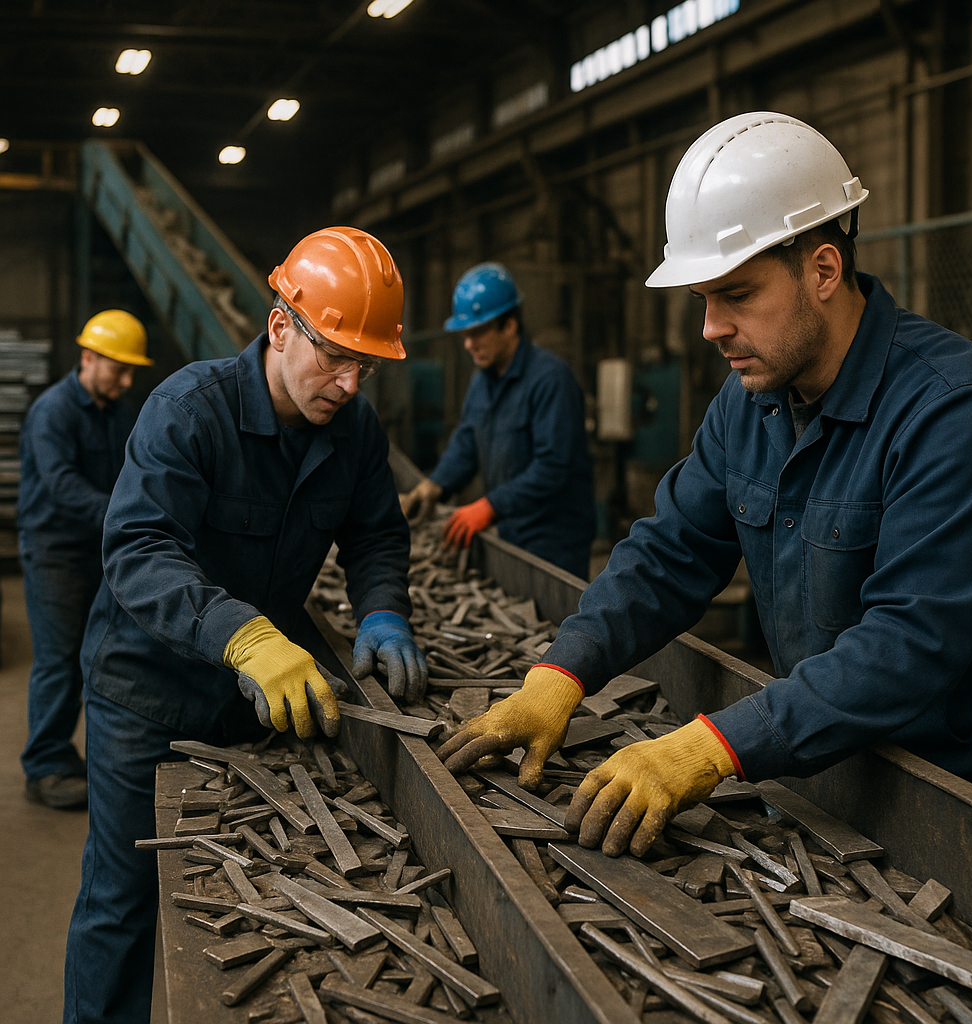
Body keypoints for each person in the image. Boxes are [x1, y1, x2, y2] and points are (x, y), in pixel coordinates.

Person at [438, 111, 972, 859]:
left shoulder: (953, 410)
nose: (712, 329)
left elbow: (909, 644)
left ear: (822, 270)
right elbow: (671, 550)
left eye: (737, 295)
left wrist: (711, 746)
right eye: (703, 301)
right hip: (826, 779)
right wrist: (562, 671)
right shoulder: (751, 402)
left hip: (960, 806)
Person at [62, 226, 428, 1024]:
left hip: (246, 705)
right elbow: (137, 549)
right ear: (279, 328)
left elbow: (374, 533)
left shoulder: (355, 431)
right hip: (145, 694)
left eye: (365, 365)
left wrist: (382, 606)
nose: (349, 383)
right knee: (123, 899)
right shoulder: (189, 411)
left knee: (229, 907)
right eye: (334, 355)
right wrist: (248, 636)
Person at [18, 309, 152, 810]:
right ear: (88, 357)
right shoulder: (53, 411)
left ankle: (71, 754)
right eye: (118, 368)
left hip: (98, 547)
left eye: (130, 369)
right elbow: (62, 487)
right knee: (56, 660)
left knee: (92, 654)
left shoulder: (116, 413)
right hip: (54, 551)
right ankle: (46, 766)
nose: (126, 379)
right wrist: (125, 514)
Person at [400, 262, 596, 580]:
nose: (468, 343)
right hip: (511, 531)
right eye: (465, 333)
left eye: (477, 332)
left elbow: (554, 467)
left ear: (510, 325)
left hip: (555, 541)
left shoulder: (550, 380)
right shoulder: (482, 382)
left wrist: (488, 506)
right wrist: (434, 486)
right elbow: (466, 442)